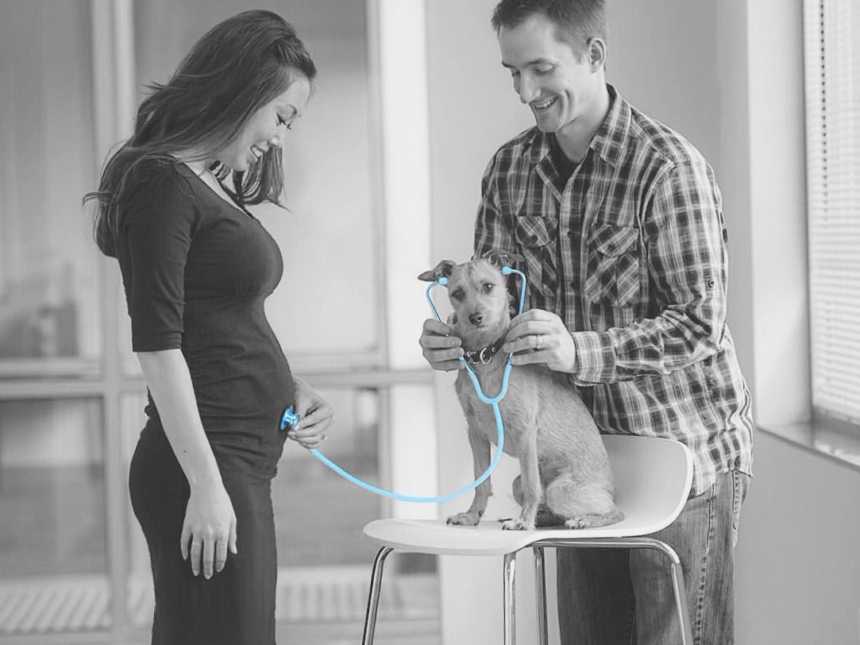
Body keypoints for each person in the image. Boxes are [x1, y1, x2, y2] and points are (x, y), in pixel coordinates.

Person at [419, 0, 754, 643]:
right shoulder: (509, 172)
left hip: (680, 454)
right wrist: (457, 340)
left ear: (594, 55)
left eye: (540, 68)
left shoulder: (668, 169)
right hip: (572, 457)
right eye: (512, 72)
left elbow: (698, 324)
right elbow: (494, 310)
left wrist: (580, 351)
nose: (525, 91)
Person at [86, 10, 333, 644]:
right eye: (281, 117)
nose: (280, 139)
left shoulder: (202, 183)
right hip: (206, 467)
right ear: (241, 90)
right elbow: (158, 344)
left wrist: (290, 386)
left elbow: (221, 319)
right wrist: (207, 486)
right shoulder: (162, 183)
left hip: (238, 460)